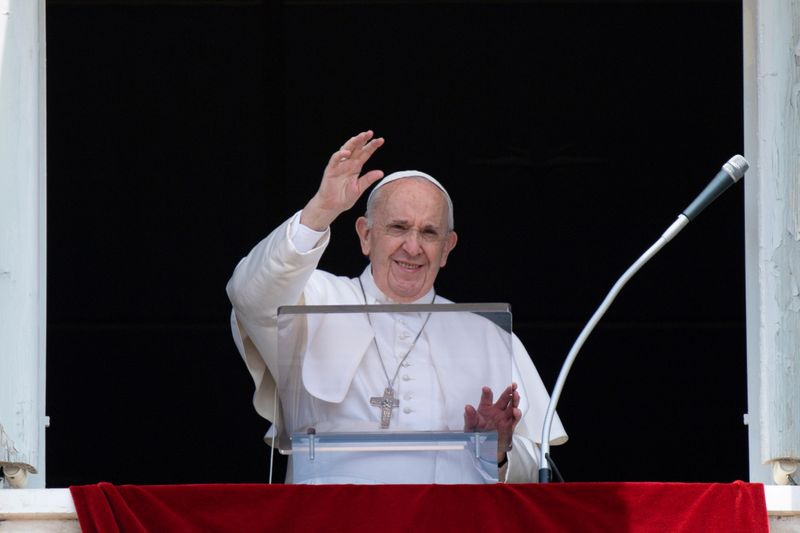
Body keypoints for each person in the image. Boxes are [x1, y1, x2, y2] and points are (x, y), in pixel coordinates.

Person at [227, 130, 566, 483]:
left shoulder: (489, 336)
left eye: (429, 233)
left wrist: (498, 451)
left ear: (447, 247)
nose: (413, 247)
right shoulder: (313, 301)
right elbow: (249, 295)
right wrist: (320, 212)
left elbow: (537, 469)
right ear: (365, 234)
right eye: (398, 227)